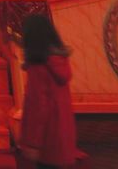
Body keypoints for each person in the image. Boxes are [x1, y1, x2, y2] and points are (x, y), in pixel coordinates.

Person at [19, 13, 78, 167]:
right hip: (61, 137)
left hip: (47, 141)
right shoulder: (59, 60)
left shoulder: (39, 67)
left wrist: (32, 143)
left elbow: (38, 107)